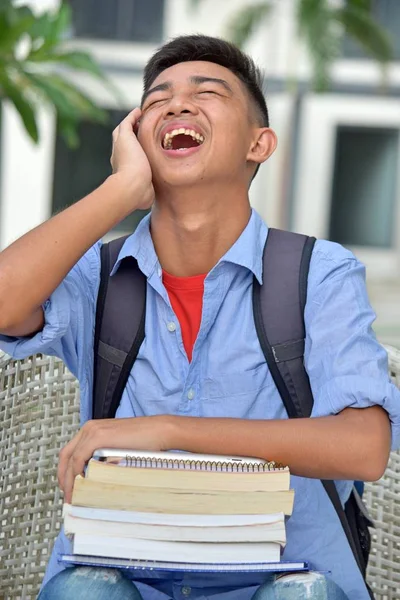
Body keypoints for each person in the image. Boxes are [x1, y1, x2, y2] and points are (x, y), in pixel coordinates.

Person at [0, 34, 398, 600]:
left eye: (207, 92)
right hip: (121, 579)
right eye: (156, 99)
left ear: (259, 145)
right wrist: (120, 190)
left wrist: (168, 431)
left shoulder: (320, 274)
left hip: (287, 576)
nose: (177, 104)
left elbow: (364, 448)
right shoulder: (97, 274)